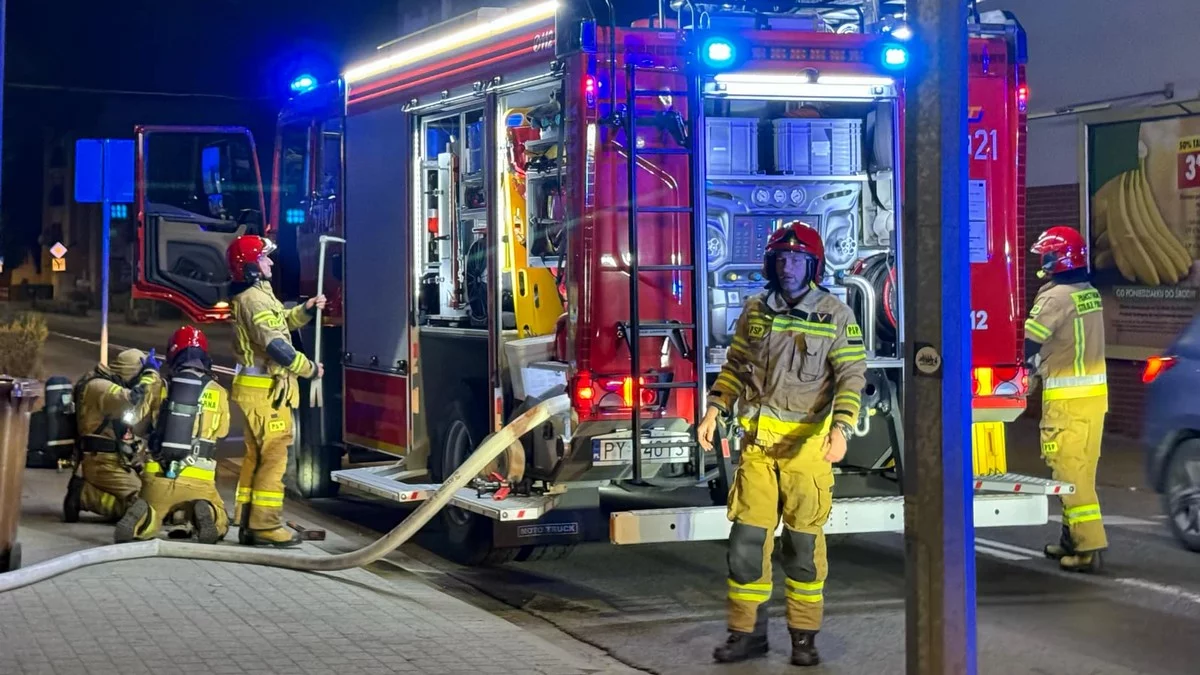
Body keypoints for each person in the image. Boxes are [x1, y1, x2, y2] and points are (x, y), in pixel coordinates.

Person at [698, 221, 867, 667]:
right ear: (770, 263)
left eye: (797, 259)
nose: (787, 265)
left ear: (813, 265)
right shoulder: (755, 310)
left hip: (806, 453)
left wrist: (842, 428)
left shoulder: (835, 315)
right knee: (746, 545)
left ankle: (804, 637)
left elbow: (851, 377)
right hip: (755, 450)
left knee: (803, 551)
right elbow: (735, 366)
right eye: (781, 258)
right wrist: (715, 408)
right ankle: (746, 634)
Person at [226, 235, 325, 547]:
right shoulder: (253, 299)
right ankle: (266, 526)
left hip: (257, 390)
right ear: (252, 267)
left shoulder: (258, 294)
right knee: (274, 457)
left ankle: (247, 521)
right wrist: (309, 368)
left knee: (256, 457)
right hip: (265, 392)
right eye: (264, 259)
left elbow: (281, 322)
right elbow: (276, 346)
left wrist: (306, 309)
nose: (270, 263)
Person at [1024, 225, 1108, 573]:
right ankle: (1070, 539)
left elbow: (1028, 342)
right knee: (1081, 473)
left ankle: (1088, 550)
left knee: (1070, 475)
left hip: (1067, 403)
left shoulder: (1055, 298)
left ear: (1055, 259)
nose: (1040, 262)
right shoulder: (1088, 292)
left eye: (1044, 256)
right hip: (1093, 401)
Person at [115, 326, 231, 544]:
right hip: (200, 479)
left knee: (152, 516)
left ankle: (145, 516)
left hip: (157, 475)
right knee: (220, 521)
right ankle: (206, 510)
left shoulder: (159, 386)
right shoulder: (219, 391)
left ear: (172, 354)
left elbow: (138, 425)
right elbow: (222, 432)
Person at [63, 349, 162, 523]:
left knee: (155, 494)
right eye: (139, 375)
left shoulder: (111, 384)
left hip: (116, 460)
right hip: (101, 462)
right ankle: (84, 495)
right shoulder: (100, 388)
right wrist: (151, 375)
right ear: (131, 372)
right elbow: (134, 399)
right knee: (146, 508)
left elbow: (132, 422)